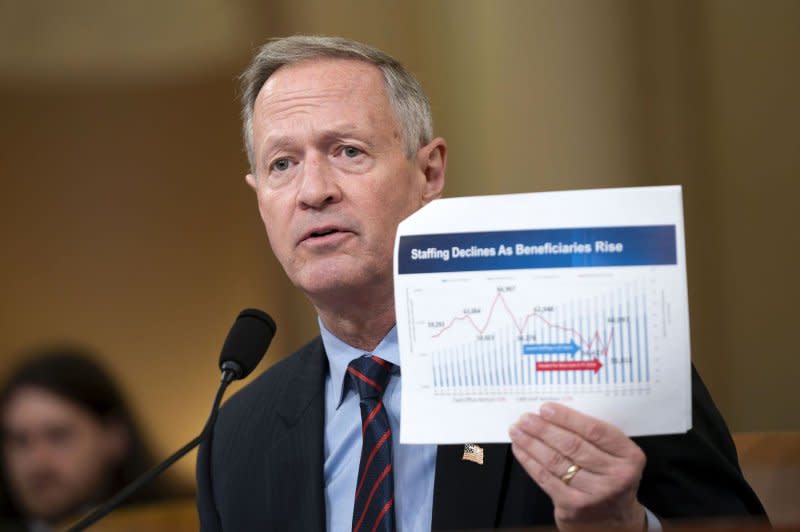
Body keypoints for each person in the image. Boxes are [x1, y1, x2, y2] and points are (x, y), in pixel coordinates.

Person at [196, 35, 766, 531]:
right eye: (282, 164)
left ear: (429, 172)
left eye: (348, 151)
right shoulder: (234, 441)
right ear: (259, 199)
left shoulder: (606, 359)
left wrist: (624, 527)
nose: (312, 190)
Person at [0, 347, 181, 531]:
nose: (37, 462)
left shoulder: (188, 521)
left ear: (115, 436)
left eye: (58, 436)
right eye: (19, 441)